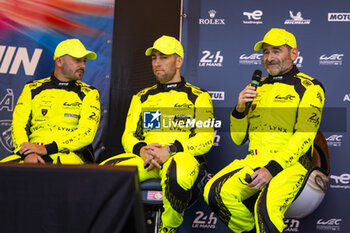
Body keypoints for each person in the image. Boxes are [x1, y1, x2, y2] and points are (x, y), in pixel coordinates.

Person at [203, 28, 325, 233]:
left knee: (265, 210)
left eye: (276, 51)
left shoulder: (310, 87)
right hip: (254, 160)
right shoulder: (257, 87)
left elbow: (305, 135)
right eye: (266, 52)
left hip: (291, 165)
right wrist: (239, 110)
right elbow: (238, 138)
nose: (269, 58)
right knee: (215, 192)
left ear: (293, 54)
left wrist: (272, 169)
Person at [101, 35, 214, 233]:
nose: (157, 63)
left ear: (178, 61)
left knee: (175, 175)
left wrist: (171, 150)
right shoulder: (142, 97)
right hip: (148, 159)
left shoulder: (198, 96)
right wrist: (142, 150)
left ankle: (167, 228)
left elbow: (205, 139)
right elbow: (128, 136)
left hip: (181, 158)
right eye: (154, 58)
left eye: (163, 57)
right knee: (103, 174)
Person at [1, 38, 101, 164]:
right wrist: (29, 153)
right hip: (31, 153)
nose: (83, 66)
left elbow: (86, 133)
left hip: (68, 155)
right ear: (59, 61)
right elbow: (18, 125)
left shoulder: (90, 93)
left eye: (84, 61)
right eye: (77, 60)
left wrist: (46, 149)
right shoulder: (32, 88)